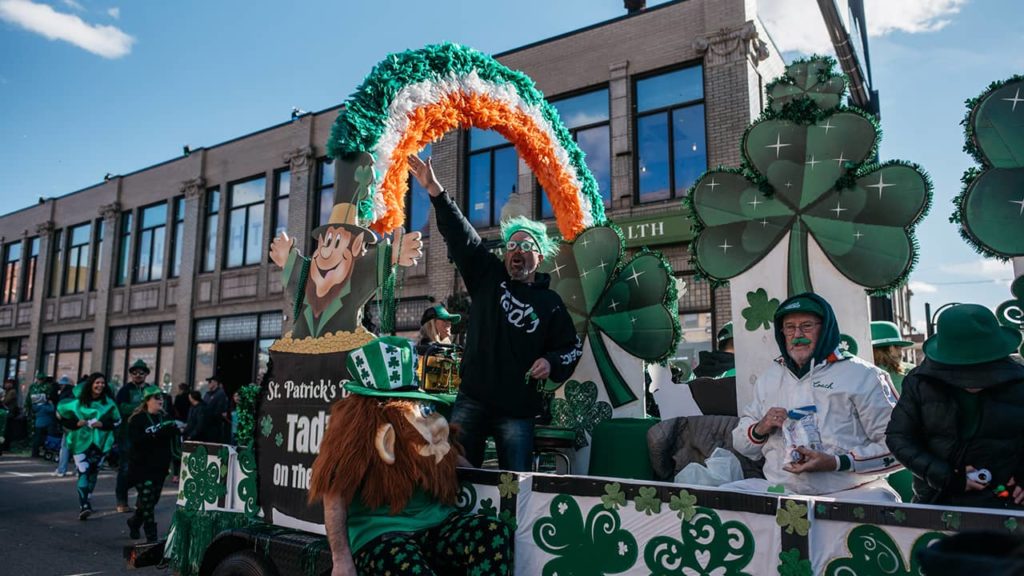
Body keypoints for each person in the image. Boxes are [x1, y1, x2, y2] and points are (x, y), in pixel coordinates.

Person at [408, 154, 583, 472]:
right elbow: (463, 237)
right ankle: (461, 522)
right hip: (472, 398)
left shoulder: (551, 304)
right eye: (512, 244)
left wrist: (551, 361)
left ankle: (511, 523)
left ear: (538, 257)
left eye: (525, 246)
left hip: (518, 411)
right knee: (455, 475)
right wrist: (435, 190)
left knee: (515, 484)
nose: (516, 250)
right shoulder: (488, 276)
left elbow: (571, 347)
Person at [309, 336, 511, 576]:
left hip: (433, 525)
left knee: (492, 533)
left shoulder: (424, 417)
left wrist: (494, 478)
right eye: (391, 399)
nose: (400, 404)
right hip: (380, 535)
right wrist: (341, 560)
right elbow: (334, 495)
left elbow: (452, 458)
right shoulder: (354, 428)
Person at [728, 292, 901, 500]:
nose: (797, 334)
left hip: (850, 495)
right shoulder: (770, 378)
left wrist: (837, 462)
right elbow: (741, 444)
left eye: (807, 326)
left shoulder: (864, 376)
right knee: (727, 496)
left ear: (825, 328)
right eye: (790, 327)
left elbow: (899, 447)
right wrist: (760, 427)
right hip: (781, 495)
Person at [886, 303, 1024, 508]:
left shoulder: (1019, 382)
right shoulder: (919, 382)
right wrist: (945, 477)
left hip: (1009, 504)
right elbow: (899, 438)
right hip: (938, 501)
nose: (973, 381)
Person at [57, 372, 120, 519]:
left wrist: (102, 424)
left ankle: (88, 497)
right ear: (91, 384)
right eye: (97, 382)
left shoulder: (109, 403)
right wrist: (75, 424)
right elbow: (60, 414)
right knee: (83, 470)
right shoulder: (78, 402)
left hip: (100, 442)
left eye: (102, 383)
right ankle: (84, 505)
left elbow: (117, 421)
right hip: (80, 442)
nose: (100, 385)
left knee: (93, 472)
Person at [126, 385, 182, 542]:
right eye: (157, 397)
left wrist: (175, 431)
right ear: (147, 400)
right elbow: (136, 441)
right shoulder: (137, 419)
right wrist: (156, 434)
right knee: (148, 503)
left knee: (150, 501)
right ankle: (151, 536)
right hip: (142, 467)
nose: (161, 400)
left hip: (160, 467)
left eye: (162, 398)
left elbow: (173, 441)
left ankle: (134, 522)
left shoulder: (166, 418)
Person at [114, 359, 152, 513]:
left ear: (146, 374)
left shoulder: (151, 389)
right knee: (125, 468)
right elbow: (122, 408)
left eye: (141, 372)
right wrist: (142, 408)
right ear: (130, 374)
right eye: (135, 372)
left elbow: (158, 404)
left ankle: (141, 501)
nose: (138, 375)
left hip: (146, 435)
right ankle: (121, 501)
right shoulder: (125, 390)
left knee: (145, 468)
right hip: (127, 434)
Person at [870, 321, 916, 394]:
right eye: (899, 348)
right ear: (891, 349)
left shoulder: (863, 375)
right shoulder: (912, 372)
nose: (902, 354)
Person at [53, 377, 75, 476]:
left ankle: (62, 469)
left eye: (62, 385)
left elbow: (60, 412)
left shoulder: (64, 396)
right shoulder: (76, 395)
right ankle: (78, 470)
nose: (60, 387)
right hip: (78, 425)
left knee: (65, 447)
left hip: (67, 425)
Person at [203, 374, 229, 443]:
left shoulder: (220, 394)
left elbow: (218, 411)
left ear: (215, 382)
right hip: (206, 425)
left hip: (214, 426)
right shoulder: (208, 394)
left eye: (210, 382)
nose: (208, 384)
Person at [30, 388, 56, 458]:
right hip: (46, 424)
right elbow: (52, 410)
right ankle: (47, 451)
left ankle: (35, 453)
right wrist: (51, 404)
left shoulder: (35, 407)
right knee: (47, 438)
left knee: (37, 439)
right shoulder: (44, 407)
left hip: (38, 424)